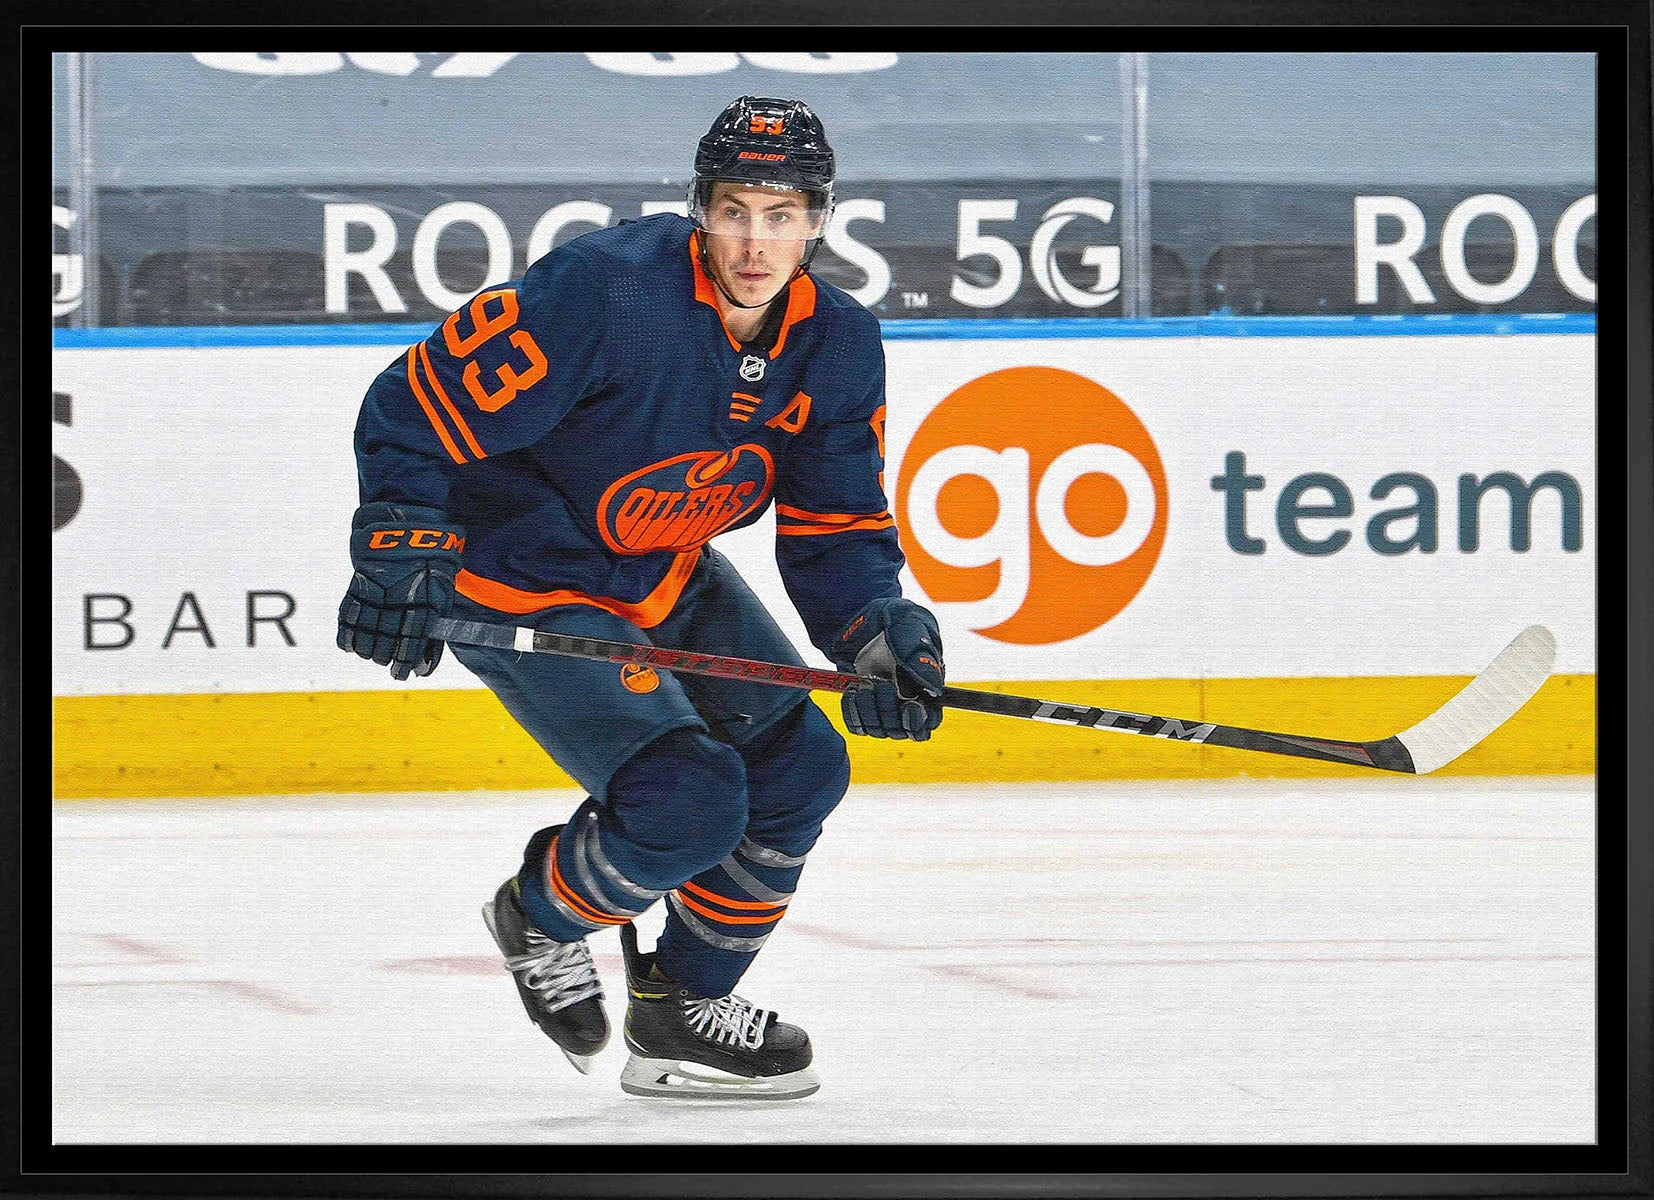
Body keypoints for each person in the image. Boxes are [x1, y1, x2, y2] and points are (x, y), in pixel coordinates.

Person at [336, 96, 946, 1100]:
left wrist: (878, 632)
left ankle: (680, 1011)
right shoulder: (603, 292)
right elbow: (413, 403)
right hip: (519, 577)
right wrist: (401, 539)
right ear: (700, 207)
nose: (756, 241)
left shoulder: (836, 342)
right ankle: (543, 913)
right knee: (689, 803)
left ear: (820, 220)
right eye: (736, 209)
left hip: (661, 563)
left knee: (800, 771)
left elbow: (835, 527)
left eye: (783, 214)